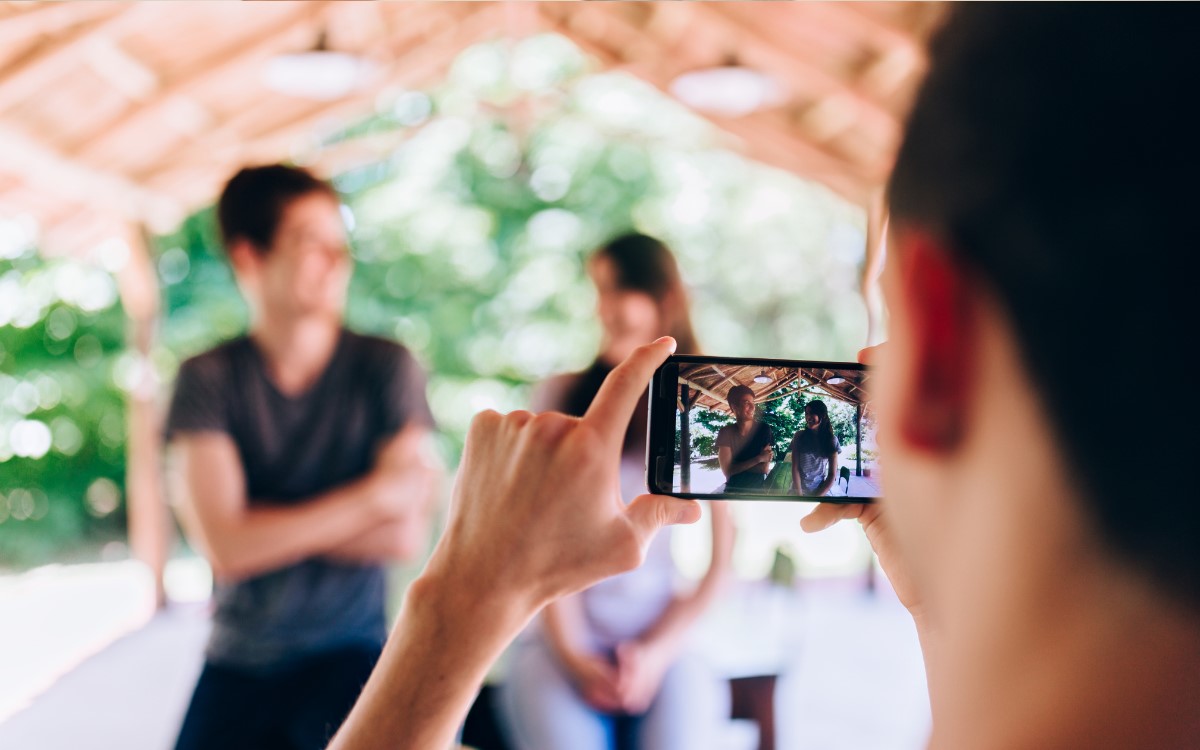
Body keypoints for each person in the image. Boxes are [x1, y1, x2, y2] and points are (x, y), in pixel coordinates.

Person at [329, 6, 1200, 750]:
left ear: (937, 346)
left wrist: (456, 607)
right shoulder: (569, 390)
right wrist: (940, 616)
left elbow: (712, 562)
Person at [166, 164, 441, 750]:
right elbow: (225, 547)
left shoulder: (387, 367)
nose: (336, 261)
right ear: (249, 257)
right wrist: (371, 497)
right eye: (311, 243)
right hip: (238, 659)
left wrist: (262, 526)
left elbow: (402, 535)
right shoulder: (207, 378)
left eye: (339, 242)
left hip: (353, 653)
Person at [499, 233, 733, 750]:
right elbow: (536, 542)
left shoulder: (706, 407)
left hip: (661, 640)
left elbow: (722, 563)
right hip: (559, 641)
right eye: (598, 292)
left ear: (662, 299)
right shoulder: (558, 395)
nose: (603, 310)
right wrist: (577, 659)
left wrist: (654, 654)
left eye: (615, 291)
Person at [714, 385, 775, 493]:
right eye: (746, 403)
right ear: (734, 407)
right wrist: (758, 459)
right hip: (732, 492)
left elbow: (763, 469)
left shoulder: (764, 429)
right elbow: (727, 471)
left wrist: (736, 466)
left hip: (757, 492)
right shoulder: (726, 432)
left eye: (753, 403)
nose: (752, 407)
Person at [790, 400, 838, 497]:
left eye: (812, 413)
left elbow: (832, 475)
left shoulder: (832, 440)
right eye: (807, 413)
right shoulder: (799, 436)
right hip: (798, 489)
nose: (808, 417)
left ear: (823, 415)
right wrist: (799, 496)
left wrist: (817, 497)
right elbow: (795, 468)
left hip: (820, 491)